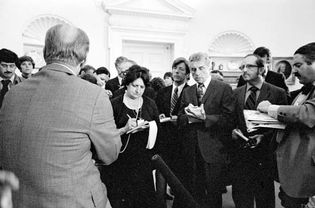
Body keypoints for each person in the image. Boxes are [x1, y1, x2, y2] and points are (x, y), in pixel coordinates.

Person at [0, 24, 123, 208]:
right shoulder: (93, 95)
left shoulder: (13, 93)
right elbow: (110, 154)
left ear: (44, 52)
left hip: (18, 200)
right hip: (72, 200)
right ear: (83, 57)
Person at [257, 42, 315, 208]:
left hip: (306, 171)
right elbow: (291, 123)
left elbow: (305, 114)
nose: (294, 71)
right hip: (292, 166)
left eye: (298, 65)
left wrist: (271, 108)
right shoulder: (305, 90)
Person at [177, 52, 234, 208]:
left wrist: (205, 118)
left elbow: (229, 120)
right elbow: (179, 118)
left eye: (201, 68)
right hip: (192, 150)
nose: (197, 73)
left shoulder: (223, 88)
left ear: (210, 67)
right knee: (194, 192)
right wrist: (188, 117)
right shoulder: (188, 91)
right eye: (193, 69)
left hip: (214, 150)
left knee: (213, 194)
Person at [231, 54, 288, 208]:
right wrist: (233, 131)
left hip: (265, 156)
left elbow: (283, 127)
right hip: (240, 156)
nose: (244, 70)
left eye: (249, 66)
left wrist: (264, 136)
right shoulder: (236, 93)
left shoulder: (278, 93)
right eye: (243, 67)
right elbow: (231, 120)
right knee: (241, 199)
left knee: (265, 200)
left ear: (261, 69)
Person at [107, 65, 160, 208]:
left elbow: (158, 128)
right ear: (126, 84)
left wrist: (149, 126)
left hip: (143, 159)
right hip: (120, 159)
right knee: (122, 198)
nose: (138, 90)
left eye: (142, 87)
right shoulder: (114, 104)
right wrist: (124, 129)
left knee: (143, 198)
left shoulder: (150, 103)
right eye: (134, 86)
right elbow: (106, 134)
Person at [155, 57, 190, 206]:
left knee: (180, 176)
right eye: (175, 68)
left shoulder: (191, 91)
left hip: (182, 139)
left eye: (181, 69)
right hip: (164, 138)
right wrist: (160, 115)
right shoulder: (164, 91)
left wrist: (180, 118)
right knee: (161, 171)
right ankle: (160, 204)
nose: (176, 71)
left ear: (187, 74)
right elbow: (156, 110)